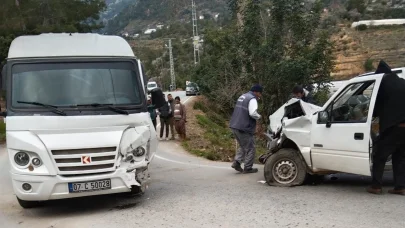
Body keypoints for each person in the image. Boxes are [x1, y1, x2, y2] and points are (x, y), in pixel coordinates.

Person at [367, 60, 405, 195]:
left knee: (380, 155)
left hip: (392, 127)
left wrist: (369, 115)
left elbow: (376, 106)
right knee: (400, 157)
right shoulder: (402, 82)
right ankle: (400, 187)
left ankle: (376, 186)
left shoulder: (382, 84)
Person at [229, 84, 263, 174]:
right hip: (243, 127)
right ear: (256, 92)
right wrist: (259, 117)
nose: (260, 95)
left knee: (244, 146)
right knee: (251, 148)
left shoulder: (243, 96)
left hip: (234, 125)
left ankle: (237, 162)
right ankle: (248, 168)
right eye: (260, 93)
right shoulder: (252, 99)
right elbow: (252, 113)